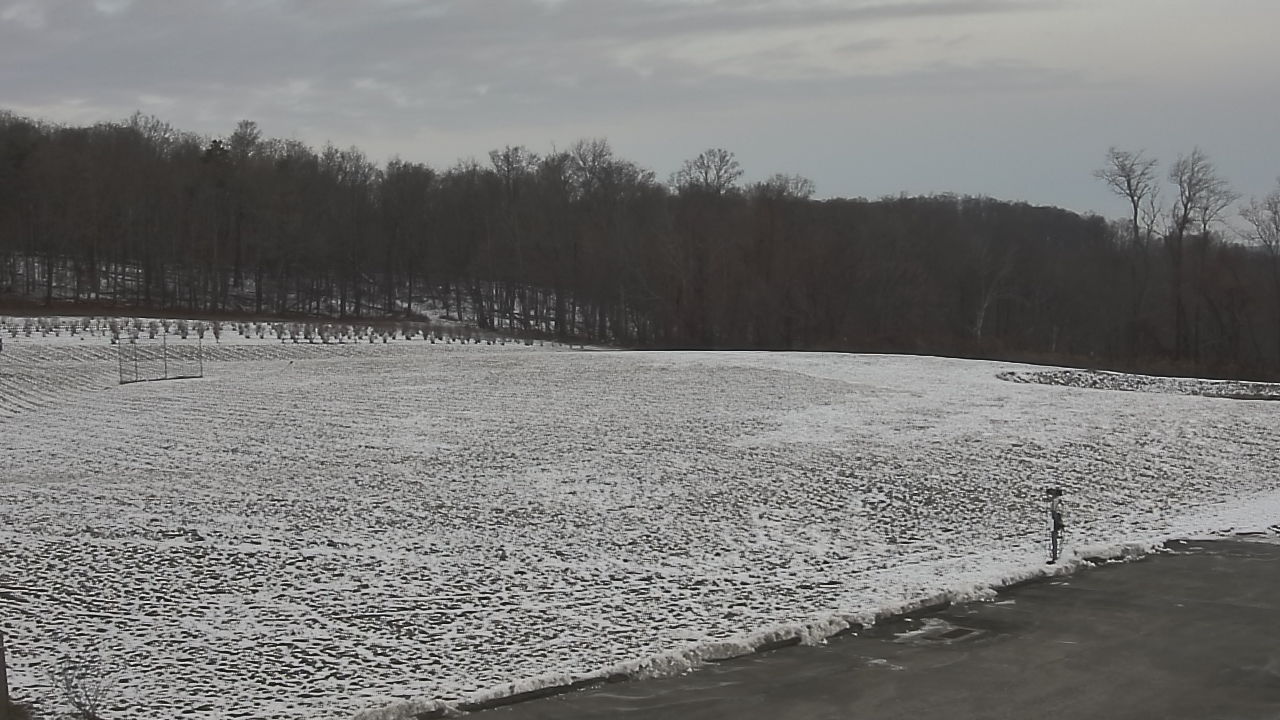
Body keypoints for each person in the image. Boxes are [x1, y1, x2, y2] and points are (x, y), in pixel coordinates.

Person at [1047, 487, 1065, 564]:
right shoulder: (1057, 501)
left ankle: (1055, 557)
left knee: (1054, 539)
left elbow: (1056, 513)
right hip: (1055, 521)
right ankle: (1055, 556)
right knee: (1055, 539)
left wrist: (1058, 522)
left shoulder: (1056, 501)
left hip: (1055, 521)